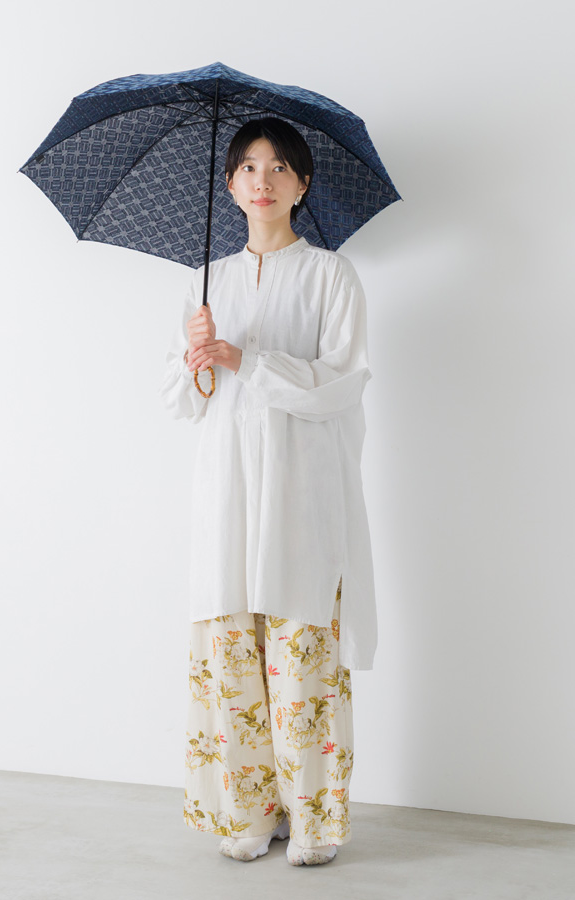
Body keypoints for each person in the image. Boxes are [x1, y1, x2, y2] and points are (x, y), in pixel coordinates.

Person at [159, 117, 377, 867]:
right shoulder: (207, 282)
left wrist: (247, 358)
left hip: (300, 490)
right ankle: (249, 811)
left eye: (280, 166)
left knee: (300, 654)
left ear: (302, 184)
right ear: (229, 184)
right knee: (232, 654)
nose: (263, 179)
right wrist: (195, 359)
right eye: (249, 166)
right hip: (227, 491)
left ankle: (313, 820)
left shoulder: (331, 276)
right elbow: (184, 403)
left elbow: (342, 381)